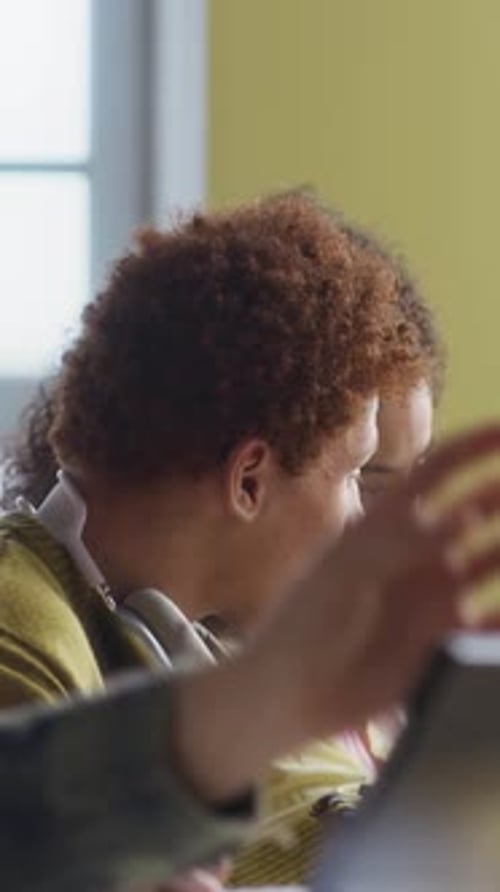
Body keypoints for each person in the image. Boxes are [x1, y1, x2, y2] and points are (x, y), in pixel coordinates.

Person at [1, 191, 500, 890]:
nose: (360, 517)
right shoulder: (21, 634)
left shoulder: (136, 627)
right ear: (250, 482)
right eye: (357, 474)